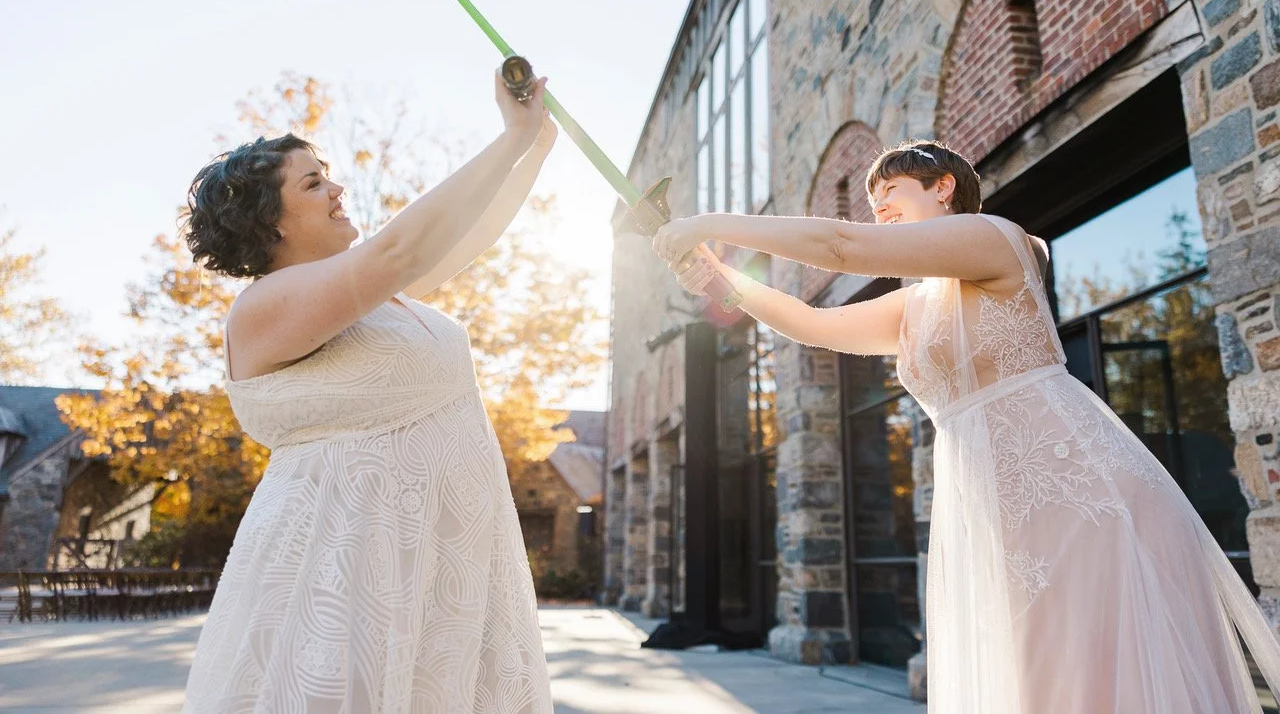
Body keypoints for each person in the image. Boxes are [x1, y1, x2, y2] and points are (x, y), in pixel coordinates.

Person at [652, 140, 1280, 713]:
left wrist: (711, 224)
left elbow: (843, 248)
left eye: (889, 194)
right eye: (872, 204)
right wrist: (718, 275)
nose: (879, 211)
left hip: (1076, 491)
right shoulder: (916, 303)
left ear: (943, 186)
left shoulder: (997, 240)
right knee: (1037, 679)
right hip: (994, 507)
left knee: (1089, 673)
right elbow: (813, 325)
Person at [179, 73, 556, 713]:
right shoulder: (264, 306)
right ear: (269, 222)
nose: (336, 188)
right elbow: (401, 249)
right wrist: (511, 138)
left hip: (437, 576)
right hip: (341, 580)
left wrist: (531, 144)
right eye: (312, 182)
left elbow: (463, 236)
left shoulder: (380, 299)